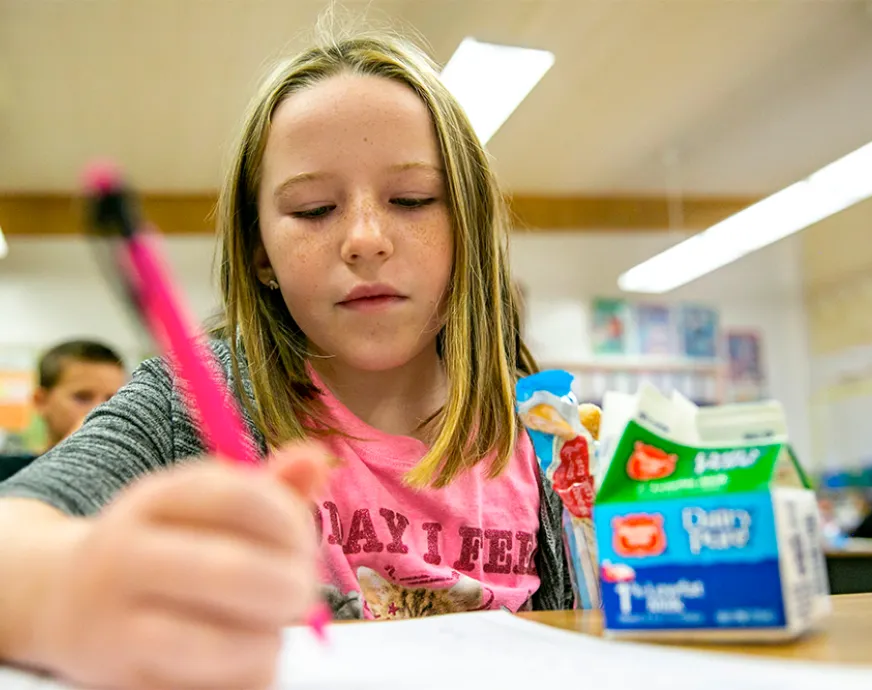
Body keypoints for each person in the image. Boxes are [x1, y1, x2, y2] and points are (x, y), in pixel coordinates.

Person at [0, 29, 570, 690]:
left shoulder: (544, 431)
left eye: (412, 200)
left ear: (469, 227)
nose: (364, 240)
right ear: (262, 252)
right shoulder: (188, 400)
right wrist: (66, 591)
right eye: (313, 209)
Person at [0, 340, 126, 482]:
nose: (101, 410)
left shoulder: (131, 483)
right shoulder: (6, 473)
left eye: (113, 399)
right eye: (82, 397)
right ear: (40, 401)